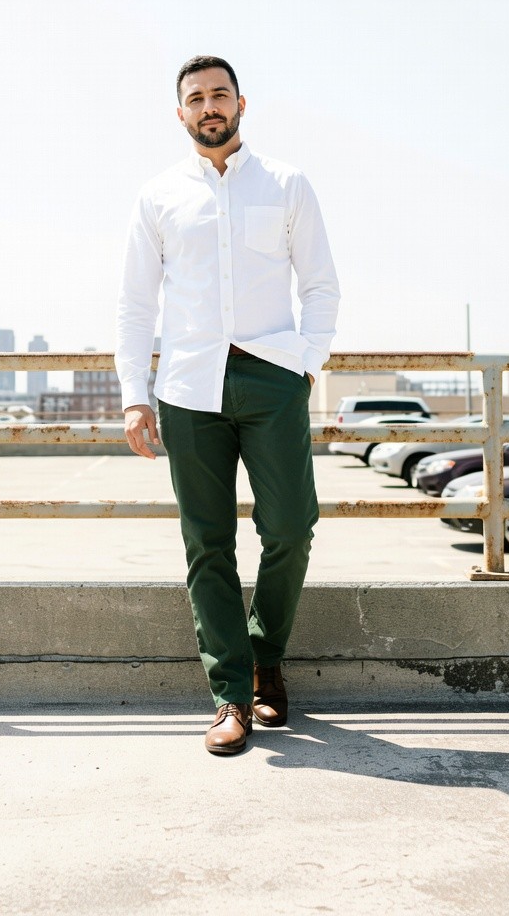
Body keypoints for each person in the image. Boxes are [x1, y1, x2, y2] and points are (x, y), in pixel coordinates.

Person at [115, 56, 340, 755]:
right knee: (206, 545)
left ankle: (264, 651)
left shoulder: (287, 183)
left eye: (219, 94)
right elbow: (134, 304)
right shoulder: (158, 196)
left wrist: (304, 365)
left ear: (241, 102)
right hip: (187, 389)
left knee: (291, 527)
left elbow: (323, 287)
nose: (208, 107)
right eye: (195, 98)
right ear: (179, 113)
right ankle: (232, 696)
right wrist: (133, 397)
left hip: (272, 378)